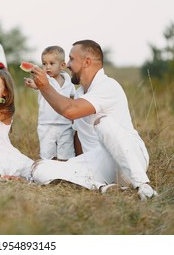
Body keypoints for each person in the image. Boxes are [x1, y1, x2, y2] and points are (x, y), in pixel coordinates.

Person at [30, 39, 158, 200]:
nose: (67, 65)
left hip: (130, 160)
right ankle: (105, 188)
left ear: (87, 62)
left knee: (103, 122)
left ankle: (143, 185)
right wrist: (75, 164)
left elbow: (70, 110)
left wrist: (44, 86)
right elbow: (77, 135)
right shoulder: (79, 94)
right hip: (100, 166)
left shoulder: (108, 86)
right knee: (39, 169)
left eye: (72, 59)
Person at [24, 46, 76, 160]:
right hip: (46, 124)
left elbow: (72, 99)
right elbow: (37, 84)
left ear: (62, 65)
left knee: (66, 154)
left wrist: (74, 119)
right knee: (47, 154)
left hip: (65, 124)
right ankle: (49, 174)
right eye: (44, 63)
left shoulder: (69, 82)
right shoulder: (44, 80)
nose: (47, 67)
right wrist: (31, 83)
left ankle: (64, 175)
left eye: (52, 63)